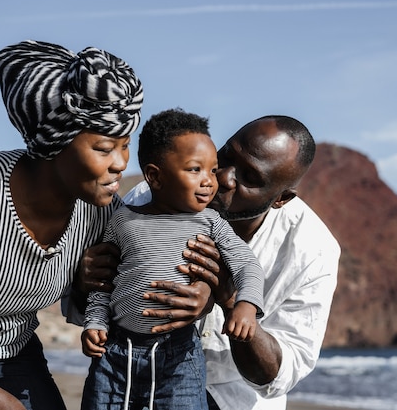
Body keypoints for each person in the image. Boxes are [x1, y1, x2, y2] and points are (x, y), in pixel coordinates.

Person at [0, 39, 143, 410]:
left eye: (125, 146)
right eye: (104, 148)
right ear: (53, 143)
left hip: (16, 351)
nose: (121, 163)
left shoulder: (102, 213)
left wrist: (81, 282)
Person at [88, 115, 338, 410]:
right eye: (227, 156)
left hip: (235, 396)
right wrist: (89, 277)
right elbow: (104, 297)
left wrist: (230, 299)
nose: (223, 178)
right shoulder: (154, 197)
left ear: (281, 198)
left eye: (250, 178)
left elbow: (278, 376)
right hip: (136, 371)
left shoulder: (313, 251)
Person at [80, 108, 264, 410]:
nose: (209, 181)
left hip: (179, 356)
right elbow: (104, 283)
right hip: (114, 354)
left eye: (212, 169)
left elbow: (247, 264)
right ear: (155, 176)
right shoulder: (123, 220)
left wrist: (246, 305)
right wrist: (95, 321)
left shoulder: (212, 223)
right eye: (195, 170)